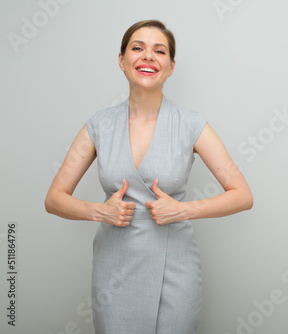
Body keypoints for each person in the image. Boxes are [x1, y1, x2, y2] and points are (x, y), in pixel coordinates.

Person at [44, 19, 253, 334]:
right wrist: (99, 211)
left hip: (176, 265)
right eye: (137, 48)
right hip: (114, 267)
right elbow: (54, 199)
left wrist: (183, 209)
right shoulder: (98, 126)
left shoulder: (191, 124)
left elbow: (242, 195)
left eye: (160, 51)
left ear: (170, 66)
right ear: (121, 60)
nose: (148, 56)